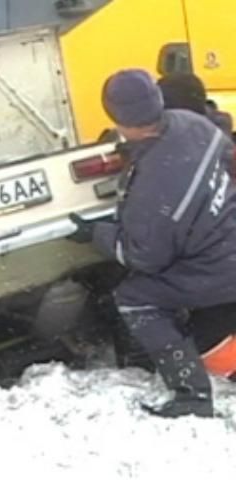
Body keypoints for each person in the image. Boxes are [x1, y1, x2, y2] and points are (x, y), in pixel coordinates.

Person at [67, 69, 236, 418]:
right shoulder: (192, 124)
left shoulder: (154, 185)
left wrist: (95, 234)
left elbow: (142, 257)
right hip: (228, 240)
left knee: (135, 298)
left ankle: (191, 394)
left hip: (218, 269)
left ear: (114, 116)